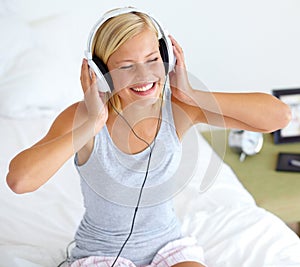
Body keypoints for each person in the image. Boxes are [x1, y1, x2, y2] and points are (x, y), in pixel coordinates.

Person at [6, 7, 291, 267]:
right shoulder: (84, 117)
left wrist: (194, 95)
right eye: (126, 66)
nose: (144, 75)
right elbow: (19, 181)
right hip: (102, 254)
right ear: (101, 72)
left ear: (166, 58)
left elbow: (280, 117)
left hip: (167, 246)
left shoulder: (179, 109)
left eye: (152, 59)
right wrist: (91, 124)